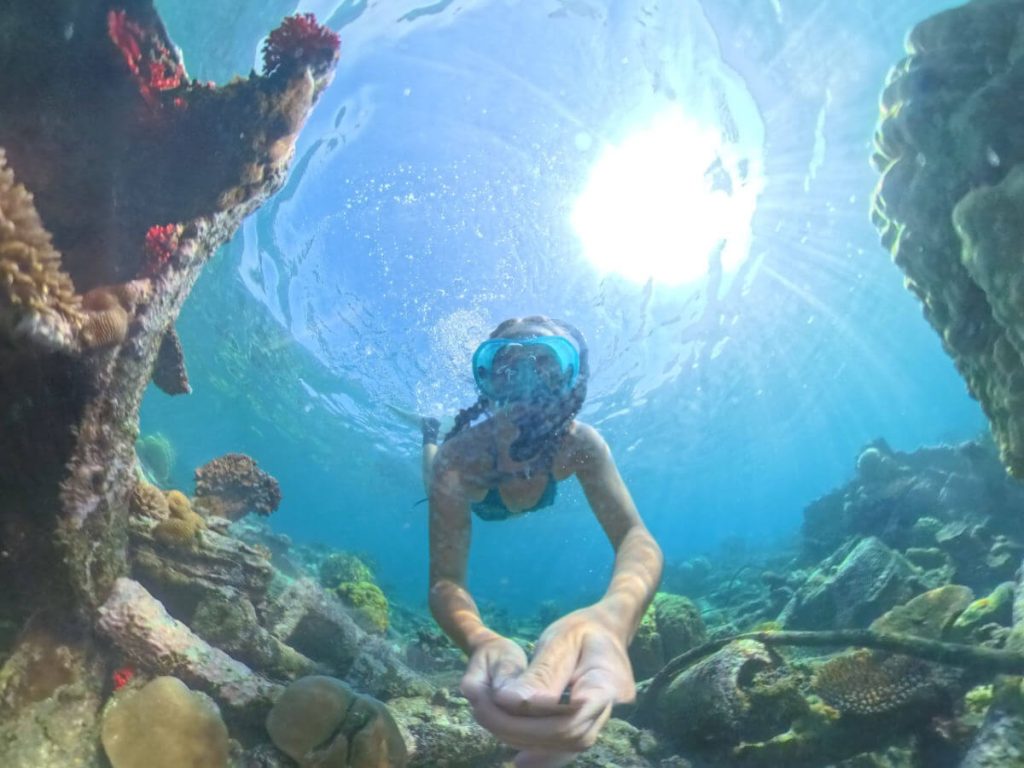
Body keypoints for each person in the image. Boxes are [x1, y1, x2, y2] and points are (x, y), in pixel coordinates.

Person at [422, 316, 663, 768]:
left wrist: (614, 619)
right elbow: (445, 582)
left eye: (545, 367)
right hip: (481, 497)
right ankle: (428, 436)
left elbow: (635, 536)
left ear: (570, 380)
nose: (527, 385)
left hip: (512, 486)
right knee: (432, 471)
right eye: (510, 368)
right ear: (488, 381)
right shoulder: (460, 460)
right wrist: (480, 639)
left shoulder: (581, 445)